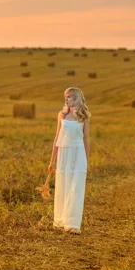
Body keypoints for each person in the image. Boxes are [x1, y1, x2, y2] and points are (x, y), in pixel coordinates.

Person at [48, 87, 91, 234]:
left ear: (78, 98)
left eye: (70, 97)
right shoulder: (62, 115)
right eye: (65, 97)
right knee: (63, 186)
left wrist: (87, 159)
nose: (67, 99)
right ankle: (60, 220)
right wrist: (51, 161)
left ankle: (73, 224)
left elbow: (86, 139)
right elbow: (56, 138)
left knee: (76, 187)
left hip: (78, 153)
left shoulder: (84, 116)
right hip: (64, 153)